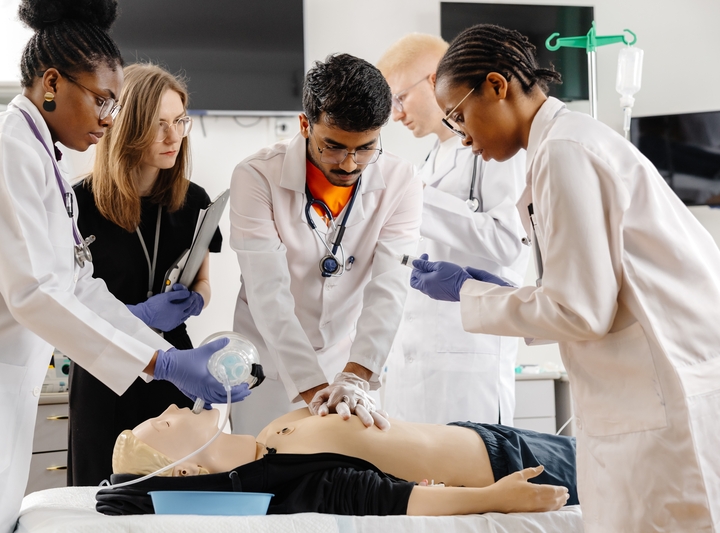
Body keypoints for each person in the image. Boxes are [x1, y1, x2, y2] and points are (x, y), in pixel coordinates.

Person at [0, 2, 249, 532]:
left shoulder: (38, 156)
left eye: (115, 106)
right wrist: (162, 364)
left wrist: (166, 353)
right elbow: (37, 292)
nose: (108, 119)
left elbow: (77, 285)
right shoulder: (0, 149)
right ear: (51, 82)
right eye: (102, 101)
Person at [410, 24, 720, 532]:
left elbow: (582, 311)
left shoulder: (565, 151)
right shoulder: (568, 143)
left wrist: (469, 291)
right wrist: (507, 293)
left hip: (659, 399)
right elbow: (595, 294)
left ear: (496, 85)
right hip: (654, 390)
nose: (463, 138)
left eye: (460, 117)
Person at [229, 54, 423, 435]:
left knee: (351, 483)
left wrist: (354, 379)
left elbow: (389, 288)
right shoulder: (256, 176)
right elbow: (268, 292)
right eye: (333, 147)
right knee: (266, 471)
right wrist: (316, 390)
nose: (350, 164)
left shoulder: (402, 181)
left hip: (349, 368)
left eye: (366, 148)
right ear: (305, 125)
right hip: (269, 366)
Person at [67, 63, 224, 486]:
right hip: (105, 369)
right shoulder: (77, 204)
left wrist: (196, 301)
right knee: (101, 495)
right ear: (127, 126)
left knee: (179, 495)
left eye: (179, 122)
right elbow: (64, 300)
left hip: (177, 369)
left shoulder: (194, 201)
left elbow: (204, 283)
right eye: (158, 126)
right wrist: (140, 314)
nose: (173, 137)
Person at [376, 33, 528, 425]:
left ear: (432, 81)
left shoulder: (497, 149)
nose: (396, 115)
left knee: (468, 480)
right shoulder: (429, 160)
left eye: (399, 98)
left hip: (467, 357)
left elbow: (508, 243)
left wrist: (415, 194)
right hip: (414, 359)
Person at [98, 404, 576, 516]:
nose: (172, 408)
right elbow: (400, 501)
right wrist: (496, 498)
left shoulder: (268, 437)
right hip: (517, 464)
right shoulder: (289, 481)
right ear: (184, 471)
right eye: (162, 424)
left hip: (488, 433)